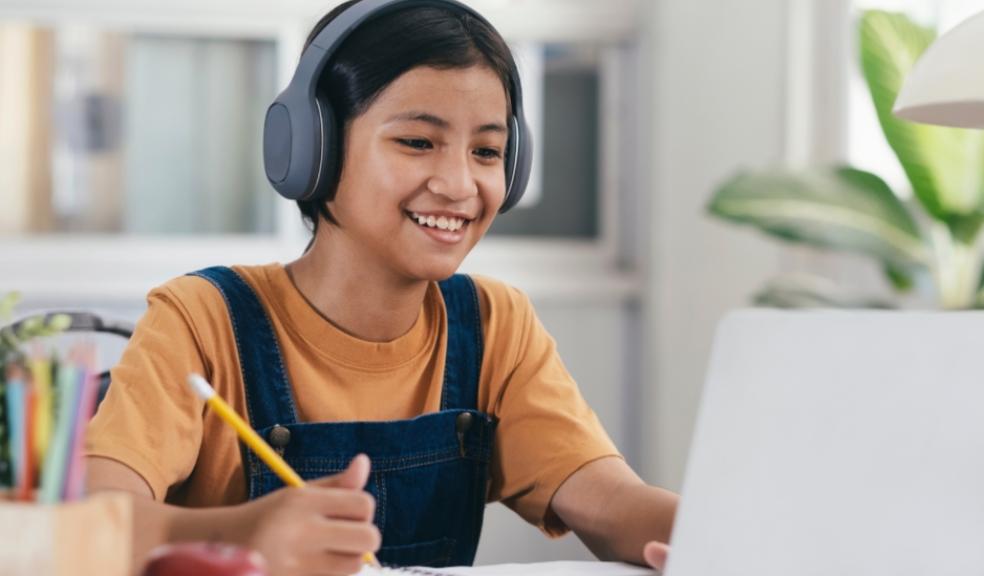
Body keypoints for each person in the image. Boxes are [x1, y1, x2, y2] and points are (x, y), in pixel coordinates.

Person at [85, 1, 678, 574]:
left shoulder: (493, 322)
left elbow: (608, 499)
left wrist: (717, 532)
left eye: (487, 151)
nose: (458, 183)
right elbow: (92, 522)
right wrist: (243, 535)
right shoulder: (202, 320)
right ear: (312, 149)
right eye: (418, 142)